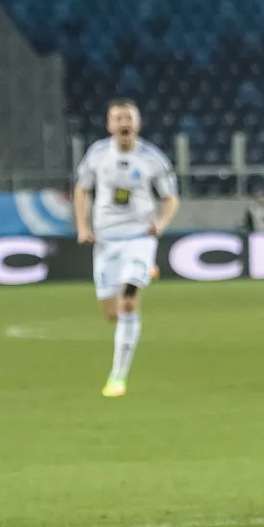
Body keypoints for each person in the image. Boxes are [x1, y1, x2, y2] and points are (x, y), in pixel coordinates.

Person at [73, 99, 180, 397]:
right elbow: (82, 189)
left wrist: (161, 222)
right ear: (109, 125)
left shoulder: (151, 158)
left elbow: (171, 197)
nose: (124, 123)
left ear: (138, 123)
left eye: (129, 118)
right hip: (106, 240)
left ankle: (117, 377)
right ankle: (143, 274)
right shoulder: (96, 154)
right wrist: (82, 226)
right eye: (118, 118)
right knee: (111, 311)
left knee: (128, 299)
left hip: (139, 237)